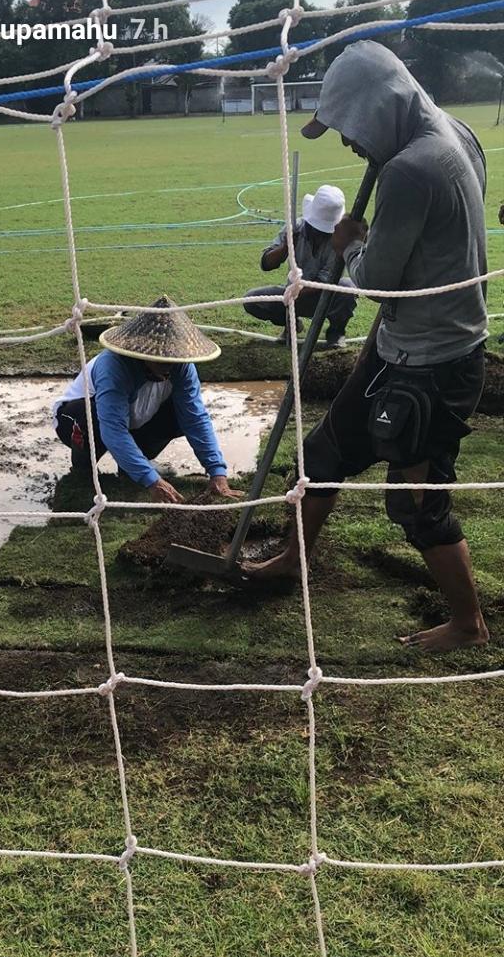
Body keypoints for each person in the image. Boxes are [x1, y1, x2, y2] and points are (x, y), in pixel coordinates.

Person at [243, 41, 489, 655]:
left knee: (416, 499)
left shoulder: (410, 167)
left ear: (380, 108)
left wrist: (352, 242)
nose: (350, 146)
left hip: (435, 359)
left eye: (351, 129)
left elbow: (377, 281)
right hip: (400, 344)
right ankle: (293, 561)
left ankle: (467, 625)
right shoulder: (456, 132)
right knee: (323, 454)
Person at [53, 296, 242, 504]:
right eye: (161, 358)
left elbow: (195, 418)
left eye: (172, 358)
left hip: (135, 417)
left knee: (180, 416)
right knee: (90, 417)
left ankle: (132, 465)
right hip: (81, 417)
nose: (168, 364)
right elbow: (113, 429)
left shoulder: (182, 367)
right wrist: (152, 481)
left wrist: (217, 472)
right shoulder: (114, 366)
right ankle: (83, 468)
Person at [243, 185, 357, 349]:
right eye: (316, 229)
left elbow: (325, 280)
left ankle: (336, 331)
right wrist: (285, 248)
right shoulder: (296, 227)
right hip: (292, 294)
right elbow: (266, 264)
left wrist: (295, 293)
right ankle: (292, 324)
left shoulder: (339, 240)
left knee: (348, 288)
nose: (320, 234)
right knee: (252, 300)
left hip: (322, 295)